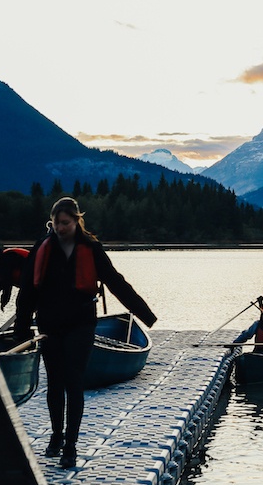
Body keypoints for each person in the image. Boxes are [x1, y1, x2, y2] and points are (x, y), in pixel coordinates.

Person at [14, 197, 157, 469]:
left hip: (81, 324)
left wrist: (144, 313)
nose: (60, 228)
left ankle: (71, 445)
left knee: (73, 381)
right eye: (56, 223)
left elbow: (115, 282)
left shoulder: (90, 248)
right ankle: (56, 436)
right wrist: (21, 331)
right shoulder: (42, 247)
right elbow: (27, 292)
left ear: (76, 220)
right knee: (54, 382)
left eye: (65, 223)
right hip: (50, 325)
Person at [0, 246, 30, 311]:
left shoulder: (6, 261)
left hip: (35, 278)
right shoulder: (2, 259)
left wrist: (3, 302)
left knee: (22, 303)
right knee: (24, 303)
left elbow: (7, 285)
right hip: (31, 279)